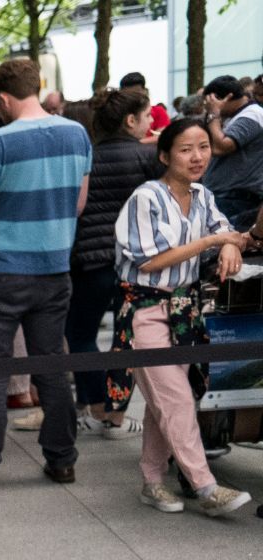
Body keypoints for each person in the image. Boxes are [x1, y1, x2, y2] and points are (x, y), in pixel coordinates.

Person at [0, 57, 91, 489]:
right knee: (51, 367)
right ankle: (62, 460)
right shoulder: (77, 134)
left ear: (4, 98)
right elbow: (77, 206)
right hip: (54, 268)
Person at [115, 117, 254, 517]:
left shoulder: (203, 195)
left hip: (184, 311)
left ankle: (154, 481)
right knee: (173, 397)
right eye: (186, 149)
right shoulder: (146, 197)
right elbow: (150, 261)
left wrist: (231, 245)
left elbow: (228, 230)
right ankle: (207, 487)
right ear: (164, 155)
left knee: (173, 397)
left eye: (204, 147)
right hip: (144, 309)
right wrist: (213, 241)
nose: (197, 157)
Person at [67, 87, 160, 439]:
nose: (151, 122)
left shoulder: (86, 156)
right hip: (135, 262)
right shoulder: (146, 159)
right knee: (127, 339)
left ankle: (95, 406)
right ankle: (116, 414)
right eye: (147, 116)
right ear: (130, 120)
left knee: (81, 335)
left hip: (89, 260)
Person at [200, 75, 263, 230]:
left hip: (235, 198)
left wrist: (214, 114)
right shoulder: (238, 115)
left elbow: (221, 147)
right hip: (228, 196)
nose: (208, 107)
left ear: (227, 98)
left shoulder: (252, 115)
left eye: (211, 102)